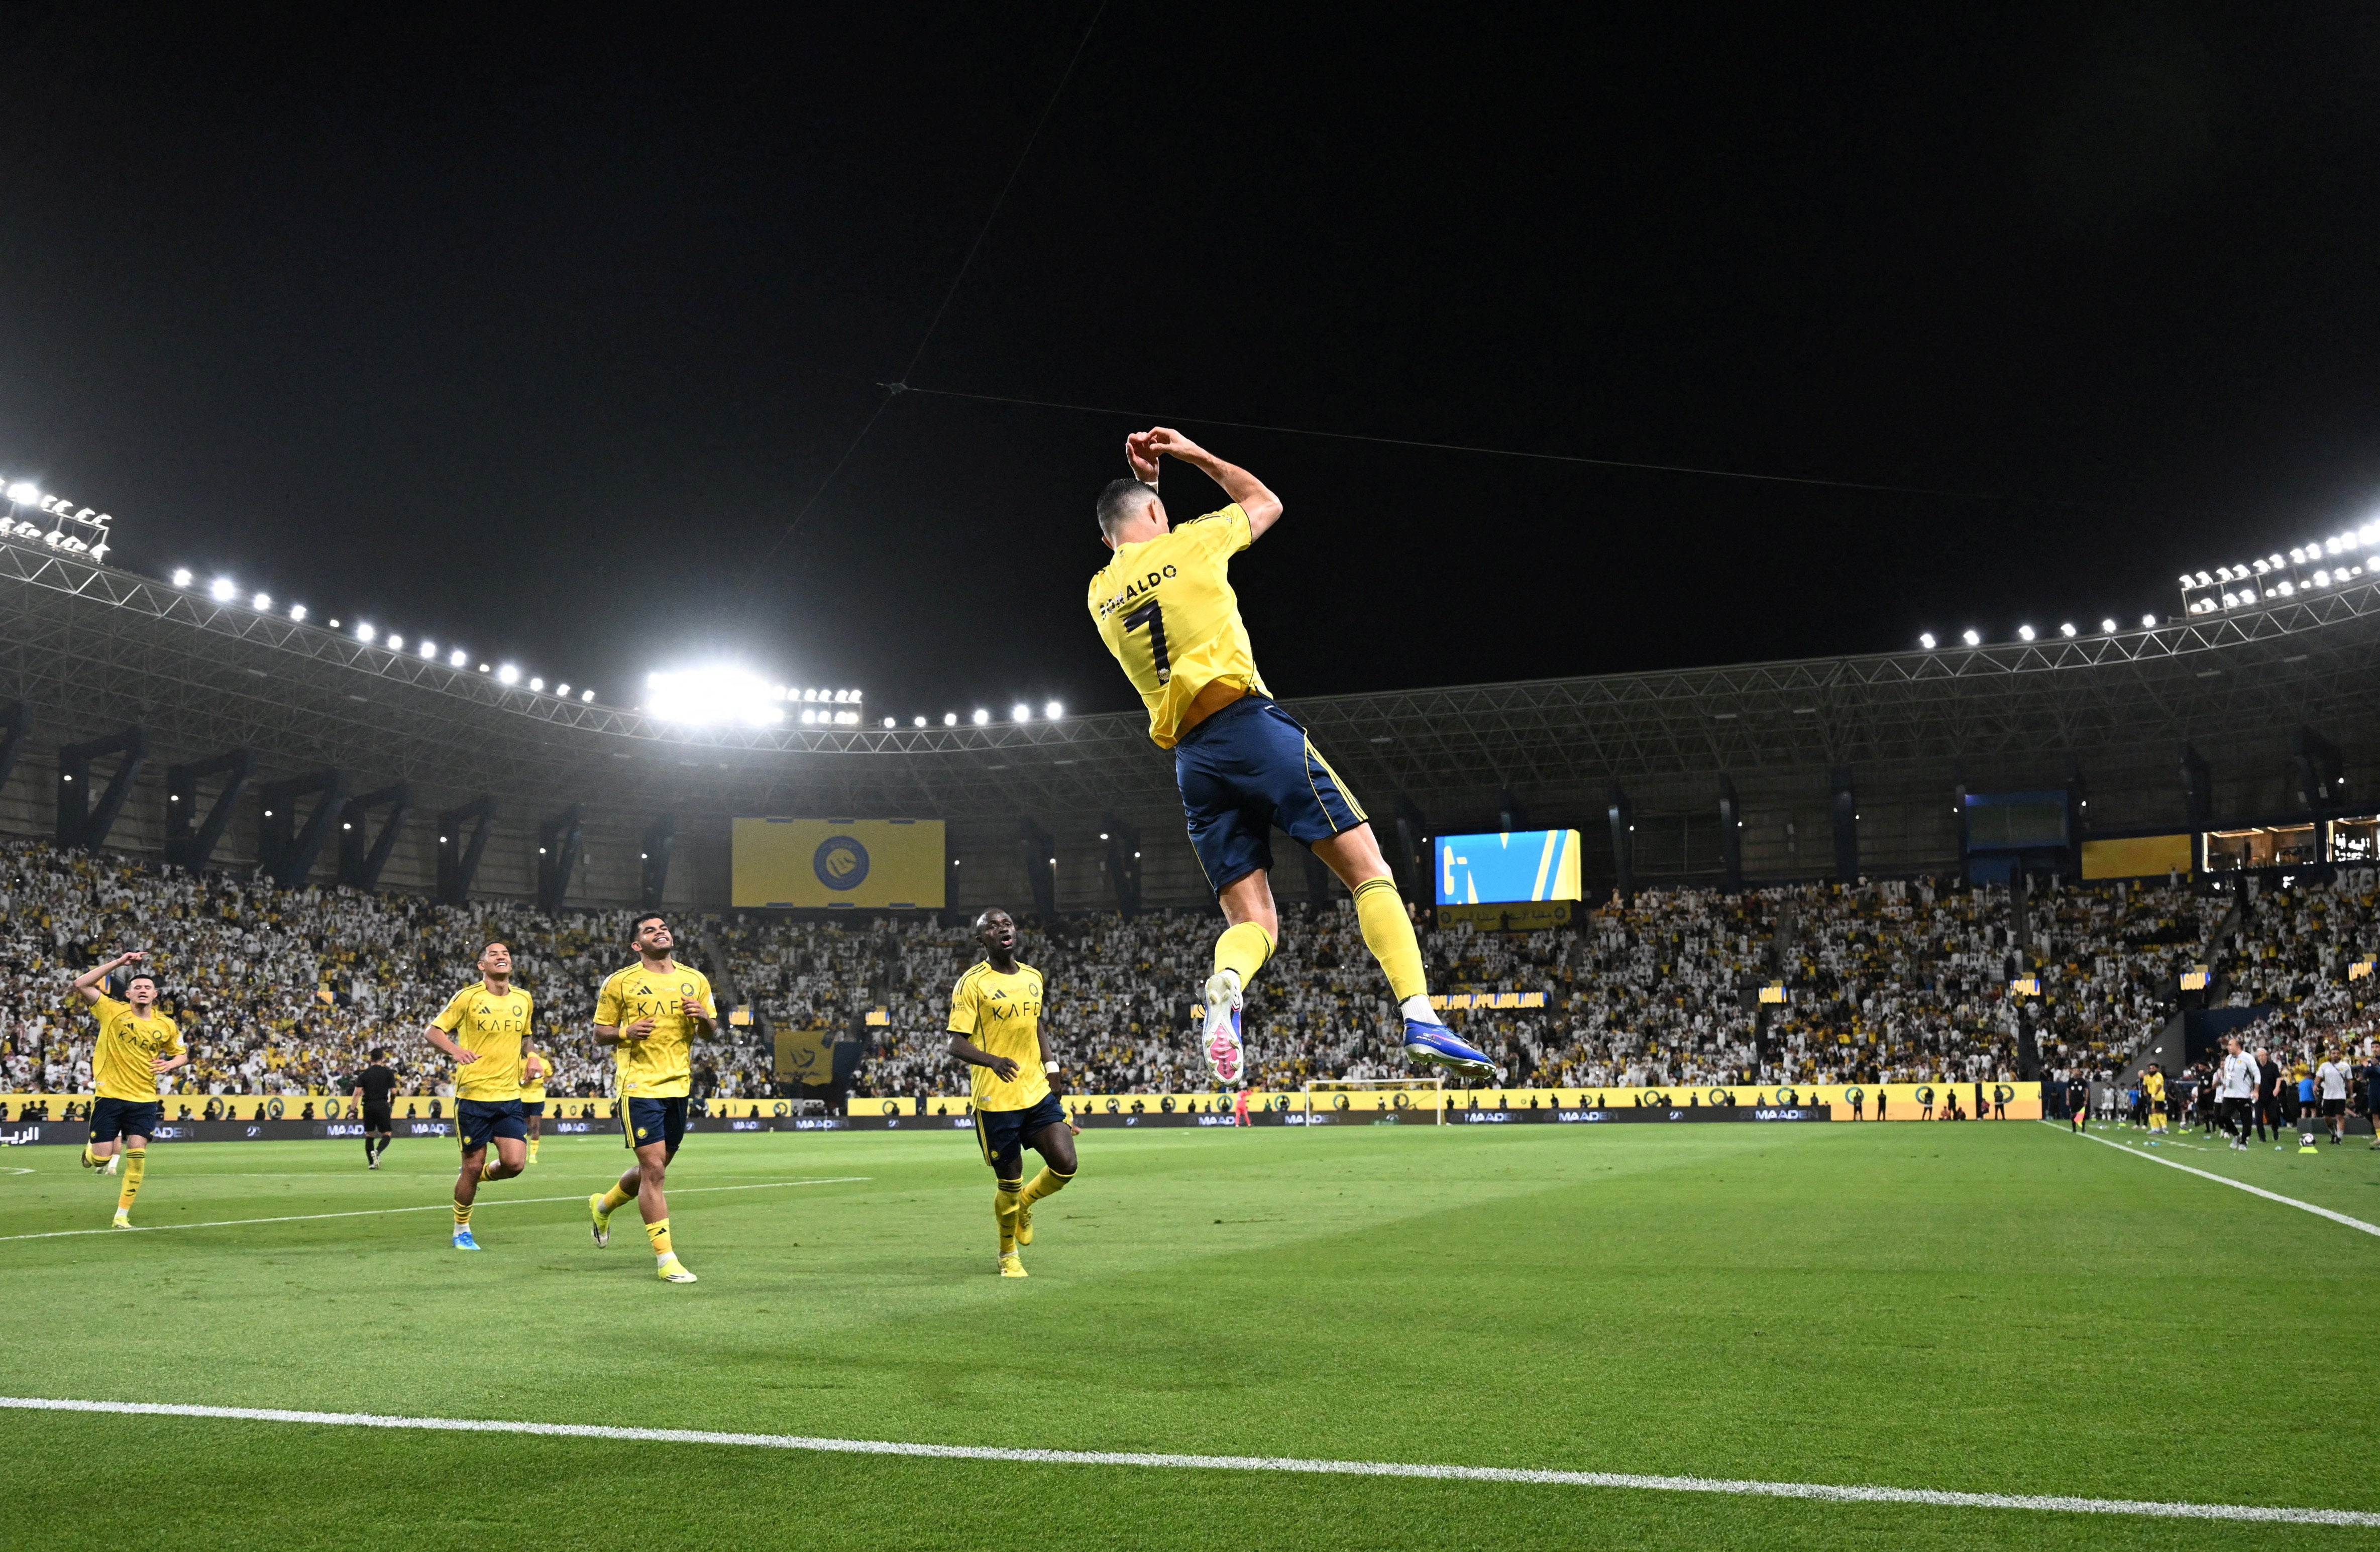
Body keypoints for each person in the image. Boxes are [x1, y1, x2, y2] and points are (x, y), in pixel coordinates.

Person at [1085, 428, 1497, 1086]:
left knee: (1254, 921)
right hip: (1250, 728)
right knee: (1368, 871)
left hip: (1192, 763)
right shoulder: (1193, 543)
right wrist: (1191, 455)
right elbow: (1264, 500)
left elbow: (1140, 554)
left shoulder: (1099, 595)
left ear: (1107, 540)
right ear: (1161, 519)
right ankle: (1419, 1015)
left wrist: (1149, 489)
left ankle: (1227, 981)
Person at [945, 908, 1080, 1278]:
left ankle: (1024, 1204)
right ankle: (1008, 1255)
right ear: (981, 940)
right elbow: (955, 1045)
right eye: (992, 926)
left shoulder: (1034, 977)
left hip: (1036, 1091)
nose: (1001, 928)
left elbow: (1036, 1025)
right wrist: (993, 1061)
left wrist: (1052, 1069)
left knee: (1066, 1164)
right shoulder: (972, 983)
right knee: (1009, 1180)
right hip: (996, 1098)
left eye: (1006, 923)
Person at [589, 913, 715, 1284]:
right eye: (650, 930)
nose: (660, 933)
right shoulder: (621, 983)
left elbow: (710, 1032)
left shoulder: (694, 980)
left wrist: (704, 1017)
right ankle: (666, 1261)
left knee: (655, 1169)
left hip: (679, 1086)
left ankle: (603, 1205)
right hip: (639, 1087)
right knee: (655, 1171)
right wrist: (627, 1031)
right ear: (637, 945)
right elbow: (600, 1034)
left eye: (663, 928)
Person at [423, 941, 532, 1250]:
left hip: (509, 1096)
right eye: (494, 955)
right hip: (474, 1096)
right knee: (471, 1165)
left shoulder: (524, 999)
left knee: (514, 1165)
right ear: (482, 966)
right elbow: (433, 1031)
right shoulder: (469, 997)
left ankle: (476, 1176)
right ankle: (461, 1229)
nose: (502, 957)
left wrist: (534, 1057)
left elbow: (526, 1038)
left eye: (506, 954)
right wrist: (456, 1050)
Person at [71, 950, 186, 1229]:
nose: (143, 991)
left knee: (137, 1155)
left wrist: (170, 1065)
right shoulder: (111, 1010)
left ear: (156, 994)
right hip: (110, 1095)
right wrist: (119, 963)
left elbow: (182, 1054)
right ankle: (91, 1154)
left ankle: (121, 1215)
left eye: (148, 987)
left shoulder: (166, 1024)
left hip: (144, 1098)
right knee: (100, 1157)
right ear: (129, 994)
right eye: (137, 987)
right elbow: (81, 984)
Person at [350, 1048, 398, 1168]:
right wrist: (392, 1102)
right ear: (383, 1059)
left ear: (370, 1059)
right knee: (387, 1133)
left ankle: (372, 1164)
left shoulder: (364, 1075)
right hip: (382, 1104)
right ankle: (377, 1152)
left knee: (369, 1135)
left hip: (368, 1106)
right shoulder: (388, 1073)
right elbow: (394, 1091)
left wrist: (352, 1110)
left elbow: (357, 1093)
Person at [2217, 1037, 2257, 1151]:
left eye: (2230, 1045)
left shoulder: (2248, 1058)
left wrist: (2256, 1090)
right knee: (2224, 1116)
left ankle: (2244, 1141)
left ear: (2237, 1046)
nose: (2228, 1047)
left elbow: (2256, 1074)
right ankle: (2236, 1135)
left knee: (2246, 1120)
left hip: (2243, 1094)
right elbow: (2228, 1073)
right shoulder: (2228, 1058)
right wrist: (2225, 1085)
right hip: (2229, 1093)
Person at [519, 1047, 549, 1165]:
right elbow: (516, 1081)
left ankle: (533, 1155)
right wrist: (524, 1082)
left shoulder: (544, 1063)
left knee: (535, 1126)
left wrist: (541, 1080)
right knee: (523, 1127)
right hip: (523, 1097)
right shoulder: (521, 1063)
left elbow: (549, 1076)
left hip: (538, 1097)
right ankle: (523, 1154)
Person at [2315, 1048, 2350, 1146]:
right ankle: (2333, 1133)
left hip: (2340, 1095)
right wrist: (2315, 1085)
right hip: (2328, 1096)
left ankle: (2339, 1138)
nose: (2335, 1055)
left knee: (2340, 1116)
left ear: (2340, 1055)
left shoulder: (2346, 1066)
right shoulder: (2324, 1066)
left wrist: (2351, 1094)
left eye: (2337, 1053)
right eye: (2333, 1053)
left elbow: (2349, 1081)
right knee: (2327, 1118)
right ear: (2330, 1055)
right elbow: (2318, 1077)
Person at [2143, 1065, 2167, 1135]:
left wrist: (2154, 1095)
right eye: (2150, 1068)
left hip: (2158, 1096)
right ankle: (2155, 1129)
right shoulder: (2147, 1077)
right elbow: (2145, 1086)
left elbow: (2159, 1086)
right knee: (2151, 1112)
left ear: (2157, 1069)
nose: (2151, 1070)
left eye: (2153, 1068)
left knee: (2158, 1112)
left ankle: (2164, 1128)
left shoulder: (2158, 1076)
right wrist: (2145, 1092)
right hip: (2151, 1096)